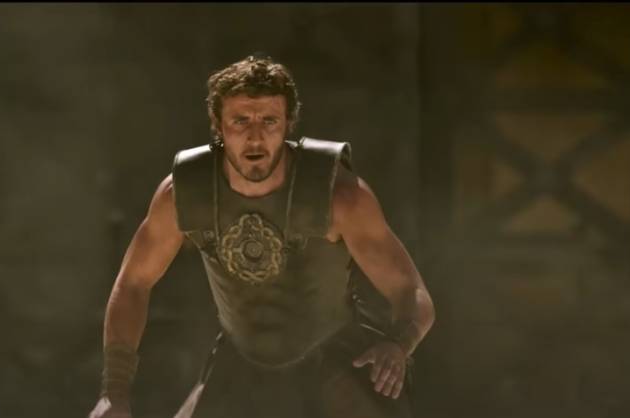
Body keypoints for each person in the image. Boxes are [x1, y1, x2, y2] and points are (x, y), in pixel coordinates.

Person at [88, 55, 435, 418]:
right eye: (240, 121)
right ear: (218, 127)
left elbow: (411, 290)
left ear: (287, 125)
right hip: (240, 362)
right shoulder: (184, 194)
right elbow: (133, 283)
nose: (255, 137)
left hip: (333, 361)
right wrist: (114, 393)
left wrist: (398, 344)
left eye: (269, 121)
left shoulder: (340, 197)